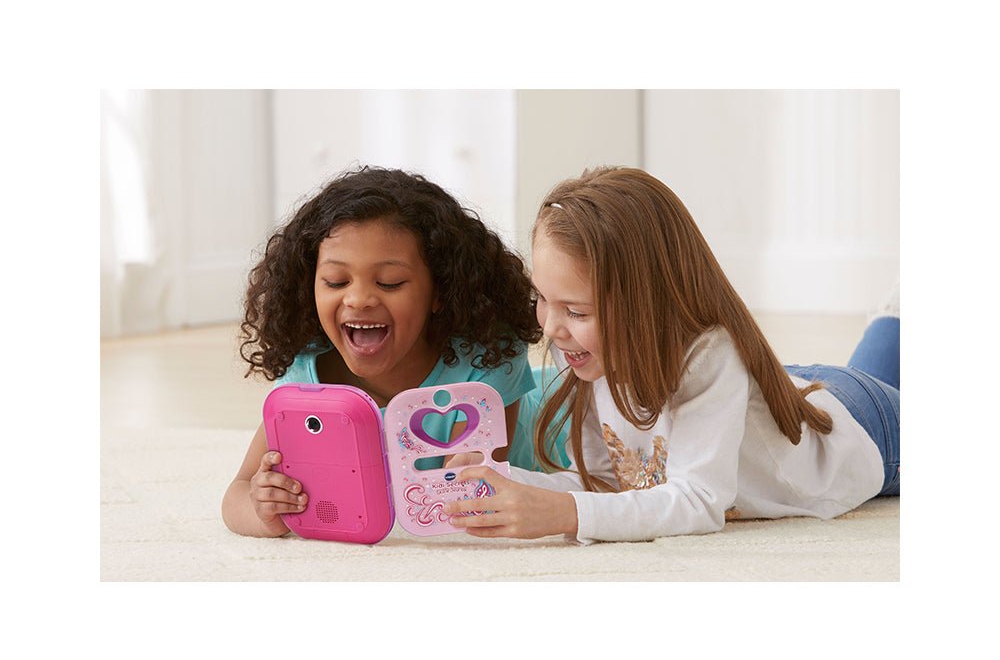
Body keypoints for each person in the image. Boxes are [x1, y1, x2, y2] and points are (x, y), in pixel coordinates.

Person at [446, 166, 900, 543]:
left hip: (863, 427)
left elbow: (698, 500)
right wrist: (508, 481)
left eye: (577, 311)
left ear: (645, 303)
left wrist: (564, 513)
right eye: (543, 299)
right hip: (779, 393)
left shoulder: (709, 357)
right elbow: (607, 484)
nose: (550, 328)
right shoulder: (588, 348)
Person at [222, 166, 541, 537]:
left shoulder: (487, 361)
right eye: (336, 281)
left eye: (390, 282)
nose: (358, 299)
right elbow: (237, 494)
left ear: (440, 290)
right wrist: (265, 509)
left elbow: (462, 499)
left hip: (559, 426)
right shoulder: (305, 380)